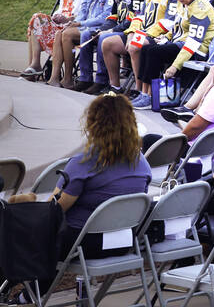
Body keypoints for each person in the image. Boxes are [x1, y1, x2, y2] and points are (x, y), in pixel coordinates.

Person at [5, 95, 150, 263]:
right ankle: (34, 288)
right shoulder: (141, 163)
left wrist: (24, 206)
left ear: (93, 125)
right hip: (124, 241)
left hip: (83, 244)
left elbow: (53, 212)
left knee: (17, 229)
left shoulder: (84, 164)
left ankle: (22, 288)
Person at [127, 0, 214, 109]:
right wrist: (166, 37)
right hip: (179, 43)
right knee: (146, 48)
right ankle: (144, 93)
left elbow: (193, 42)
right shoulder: (185, 2)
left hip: (195, 49)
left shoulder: (201, 9)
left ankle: (151, 96)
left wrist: (175, 66)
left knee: (154, 52)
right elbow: (177, 26)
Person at [22, 0, 92, 80]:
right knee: (36, 19)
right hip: (60, 21)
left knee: (37, 22)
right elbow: (62, 7)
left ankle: (35, 68)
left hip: (74, 23)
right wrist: (56, 16)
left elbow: (85, 11)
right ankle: (34, 64)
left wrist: (68, 19)